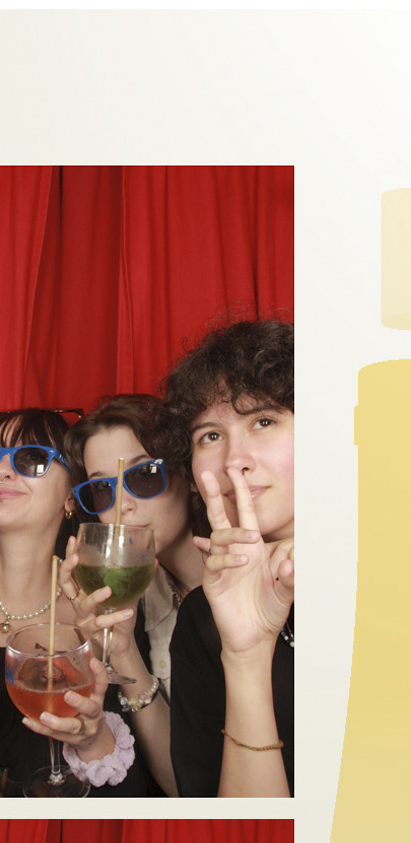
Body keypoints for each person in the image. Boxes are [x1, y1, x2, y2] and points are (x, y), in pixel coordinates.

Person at [0, 409, 140, 795]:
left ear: (71, 495)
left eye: (32, 458)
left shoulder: (102, 601)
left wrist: (93, 740)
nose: (1, 471)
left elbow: (147, 785)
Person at [160, 319, 295, 797]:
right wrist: (246, 656)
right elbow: (243, 828)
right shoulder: (202, 620)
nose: (235, 460)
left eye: (263, 421)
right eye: (210, 436)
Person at [62, 393, 208, 794]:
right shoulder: (144, 596)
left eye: (144, 476)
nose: (122, 506)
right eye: (102, 489)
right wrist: (122, 649)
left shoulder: (272, 580)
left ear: (189, 475)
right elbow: (183, 787)